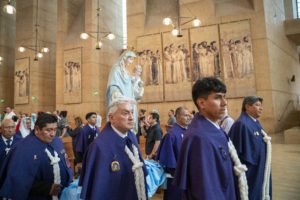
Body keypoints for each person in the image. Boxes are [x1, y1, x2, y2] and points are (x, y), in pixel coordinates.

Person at [174, 77, 247, 200]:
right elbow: (206, 190)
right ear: (202, 103)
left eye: (225, 96)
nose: (225, 103)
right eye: (218, 97)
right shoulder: (199, 138)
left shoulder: (213, 128)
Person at [79, 97, 147, 200]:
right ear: (111, 118)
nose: (131, 117)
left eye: (132, 112)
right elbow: (98, 190)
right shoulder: (98, 147)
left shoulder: (131, 136)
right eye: (125, 113)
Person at [0, 113, 73, 199]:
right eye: (48, 130)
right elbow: (17, 179)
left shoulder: (57, 141)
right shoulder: (22, 148)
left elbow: (66, 163)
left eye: (55, 129)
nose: (53, 134)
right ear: (37, 129)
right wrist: (46, 188)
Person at [229, 96, 272, 200]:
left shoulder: (254, 121)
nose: (261, 108)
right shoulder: (241, 124)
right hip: (250, 172)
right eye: (257, 105)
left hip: (259, 168)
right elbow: (235, 153)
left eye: (261, 106)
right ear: (247, 107)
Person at [156, 107, 191, 200]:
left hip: (188, 177)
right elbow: (168, 159)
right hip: (176, 179)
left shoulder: (189, 132)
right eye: (185, 115)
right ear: (178, 117)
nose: (188, 117)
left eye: (189, 115)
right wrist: (179, 175)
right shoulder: (171, 134)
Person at [106, 50, 143, 133]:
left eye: (132, 60)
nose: (130, 62)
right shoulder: (116, 69)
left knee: (129, 129)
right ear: (124, 58)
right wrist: (120, 96)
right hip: (122, 103)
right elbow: (113, 86)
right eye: (130, 59)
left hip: (129, 103)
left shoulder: (126, 72)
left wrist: (137, 84)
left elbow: (130, 88)